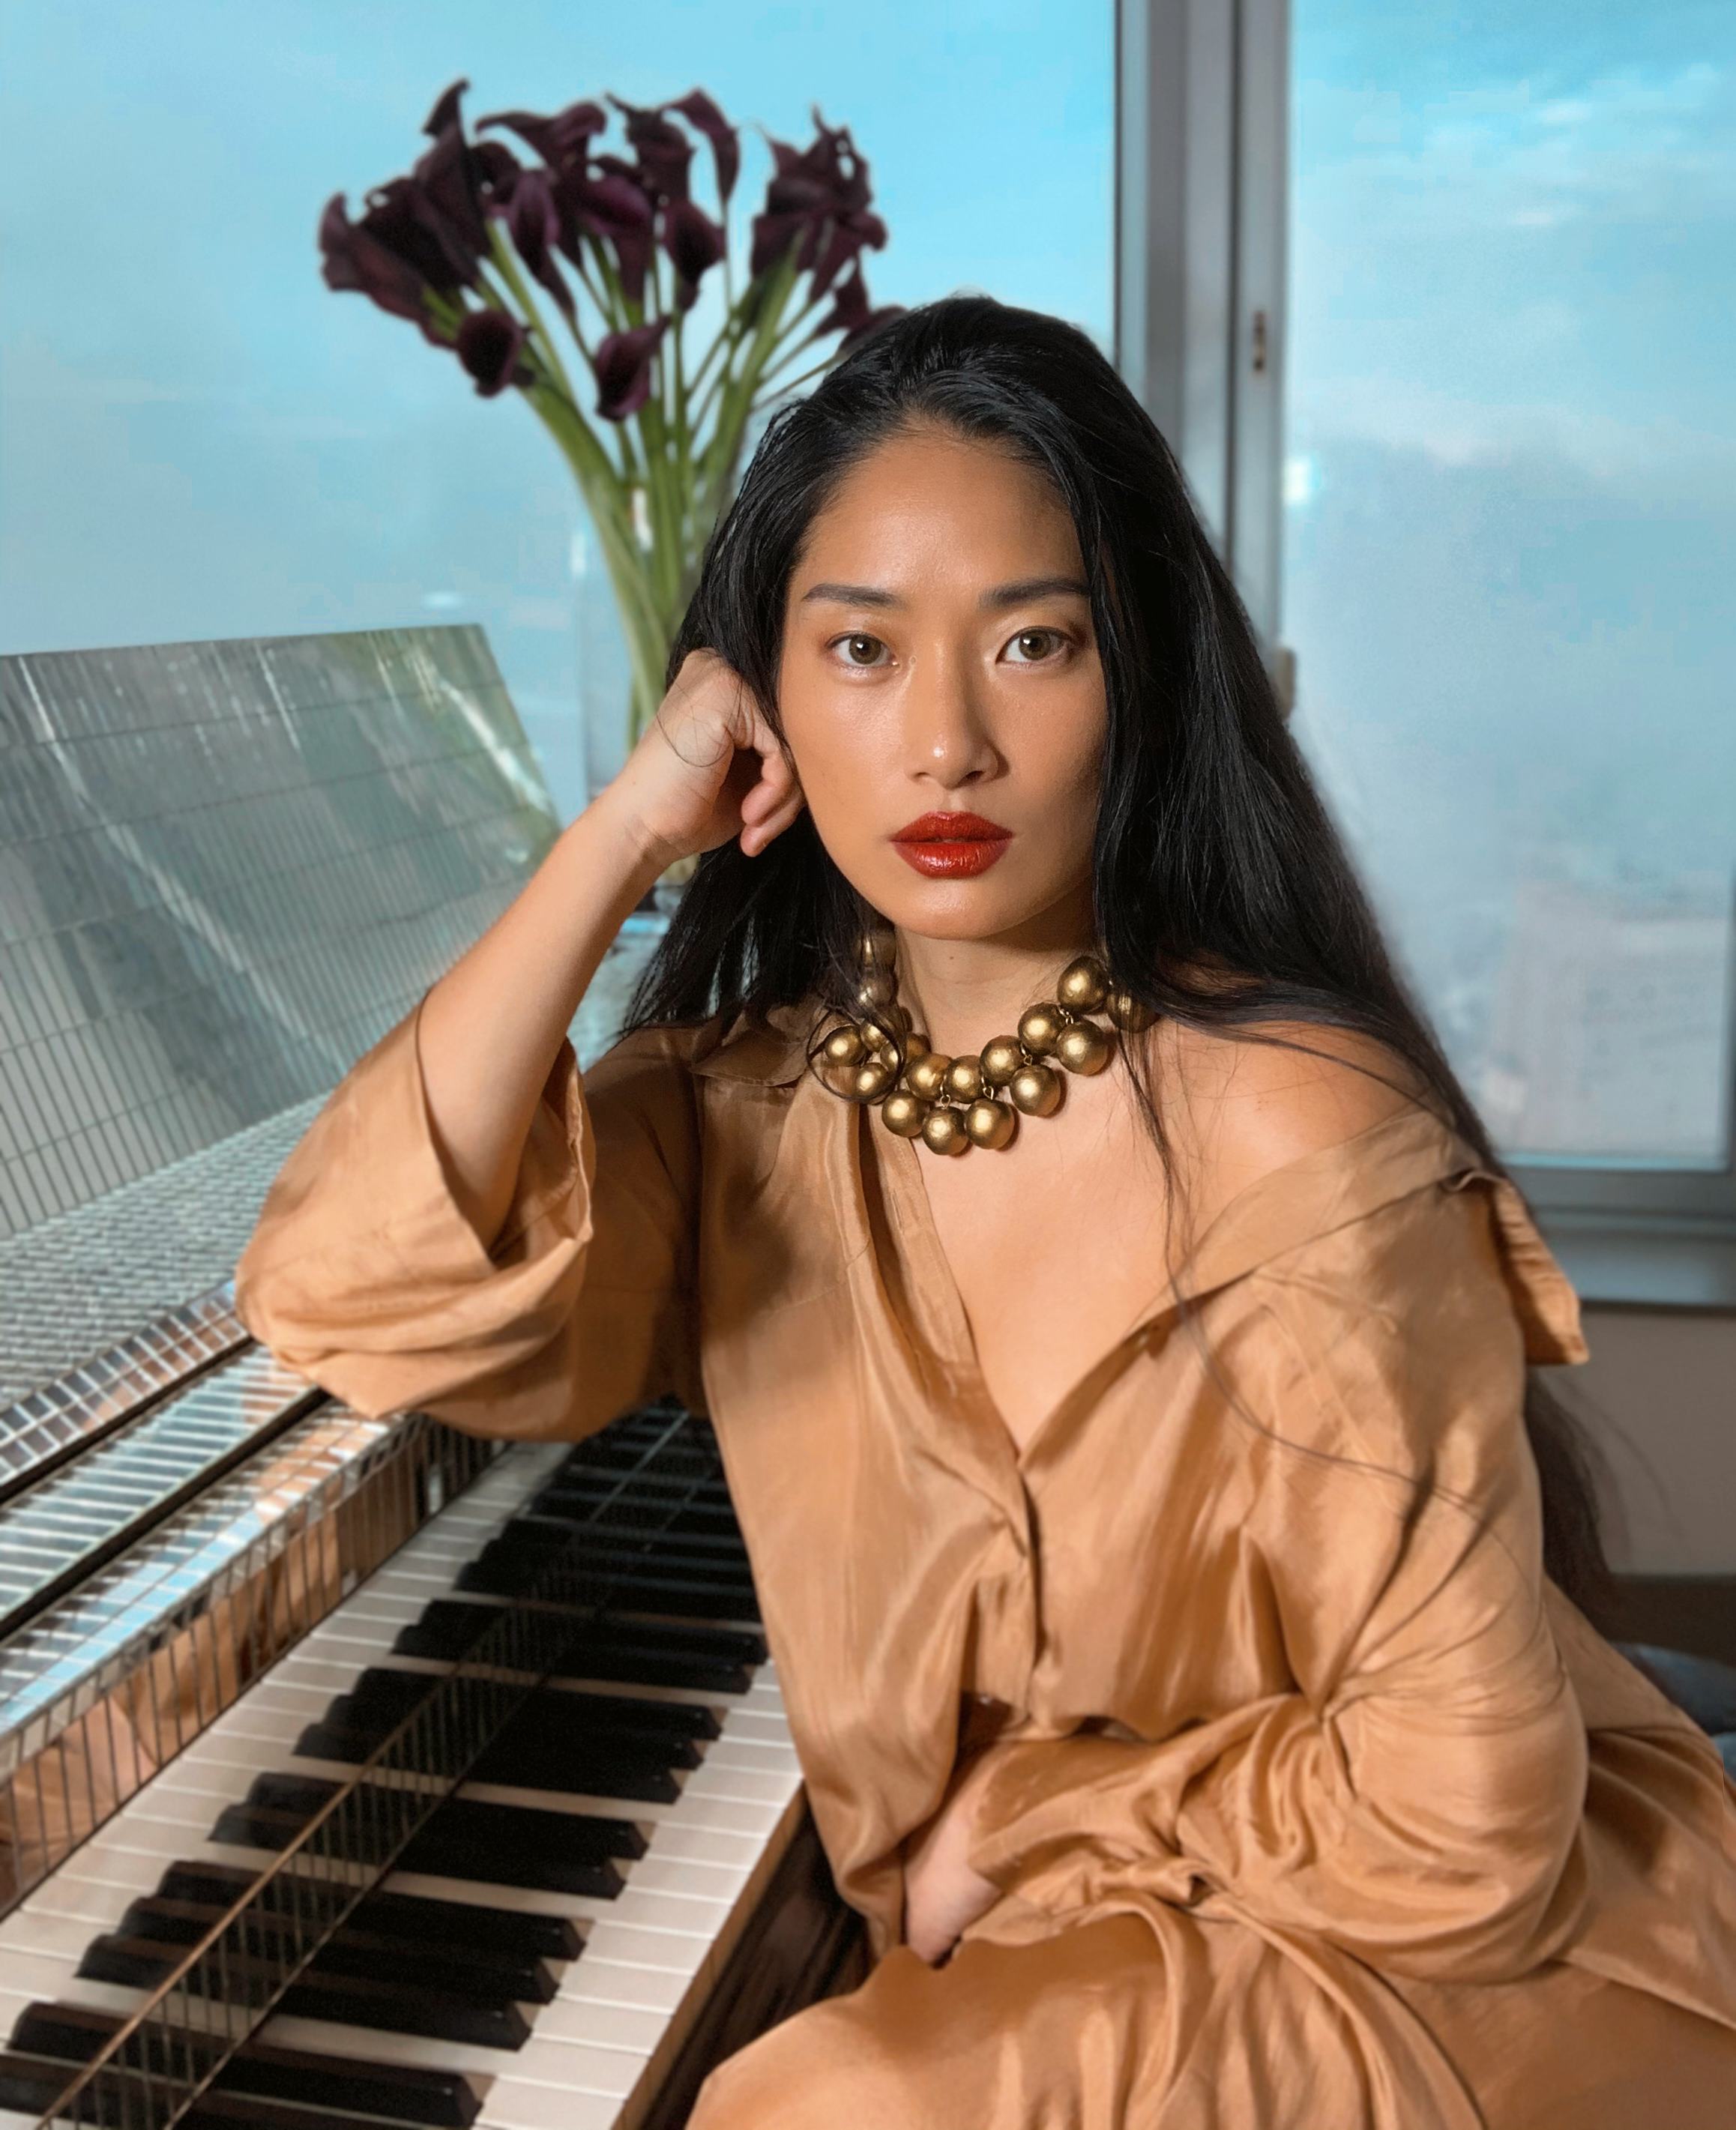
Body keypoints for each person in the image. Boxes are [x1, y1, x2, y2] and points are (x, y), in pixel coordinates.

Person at [234, 296, 1736, 2128]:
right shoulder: (753, 1118)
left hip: (1440, 1953)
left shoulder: (1298, 1131)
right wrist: (626, 821)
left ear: (1140, 682)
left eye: (1033, 641)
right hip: (1072, 1940)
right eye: (858, 649)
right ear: (759, 698)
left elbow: (1473, 1829)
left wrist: (1036, 1815)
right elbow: (343, 1292)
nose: (945, 742)